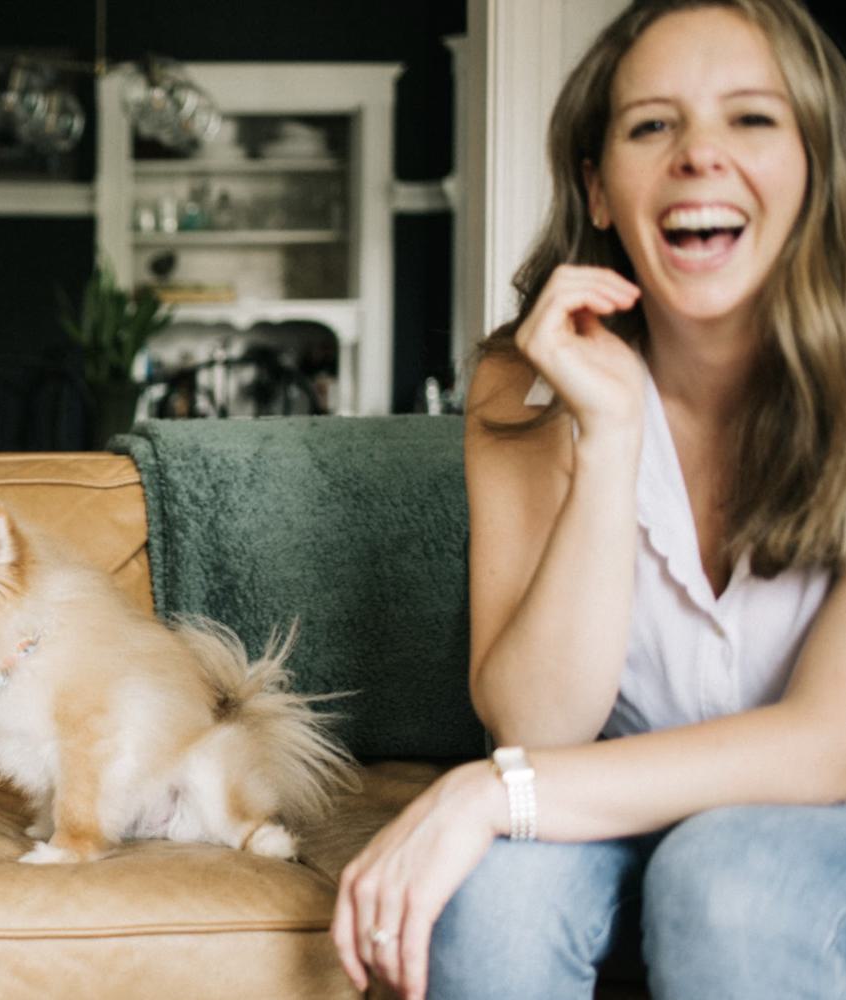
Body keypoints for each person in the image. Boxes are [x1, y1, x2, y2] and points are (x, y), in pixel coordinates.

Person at [331, 1, 846, 998]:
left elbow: (827, 741)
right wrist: (606, 439)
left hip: (816, 815)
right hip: (603, 793)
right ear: (597, 189)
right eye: (651, 125)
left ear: (814, 165)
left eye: (750, 118)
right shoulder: (521, 387)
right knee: (488, 902)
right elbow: (539, 727)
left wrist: (489, 793)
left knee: (727, 879)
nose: (698, 154)